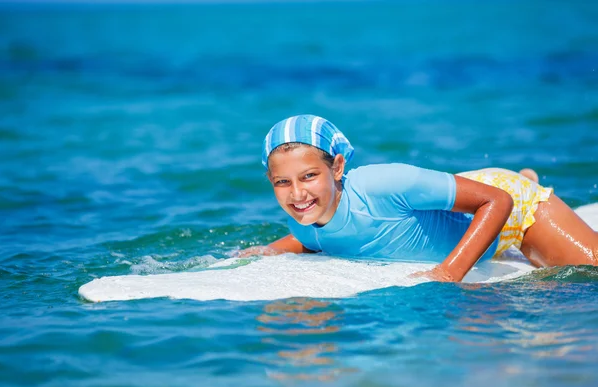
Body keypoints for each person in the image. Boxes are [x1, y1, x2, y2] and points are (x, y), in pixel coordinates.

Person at [239, 114, 598, 282]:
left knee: (589, 273)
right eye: (282, 182)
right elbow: (312, 238)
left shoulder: (383, 184)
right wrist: (270, 249)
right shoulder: (303, 218)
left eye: (309, 176)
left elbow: (498, 202)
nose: (297, 193)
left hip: (509, 206)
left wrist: (450, 271)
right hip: (463, 205)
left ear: (337, 168)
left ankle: (528, 184)